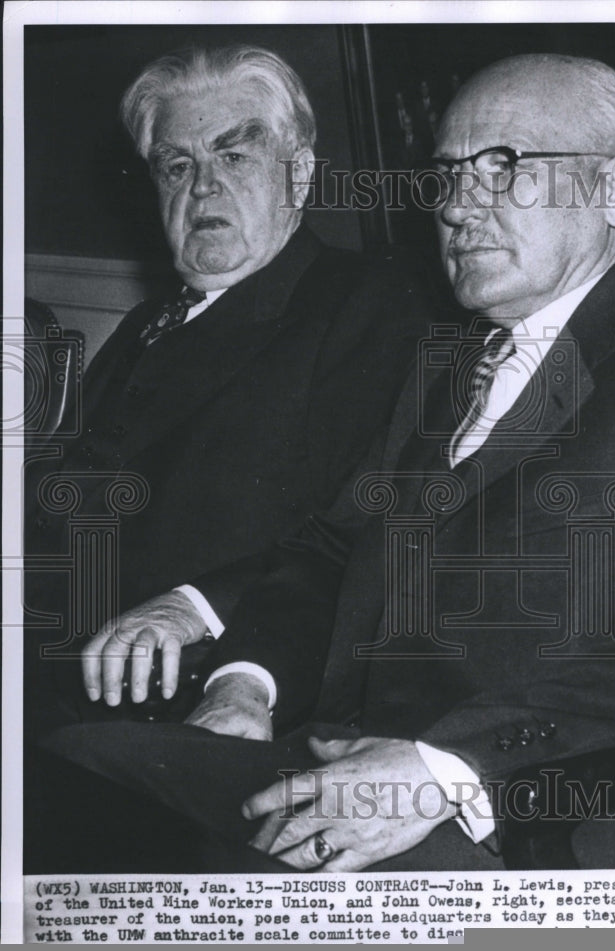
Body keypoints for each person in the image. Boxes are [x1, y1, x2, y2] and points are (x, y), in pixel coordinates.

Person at [48, 54, 615, 873]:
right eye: (448, 175)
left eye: (505, 166)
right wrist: (249, 680)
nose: (459, 206)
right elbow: (334, 547)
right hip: (340, 761)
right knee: (74, 767)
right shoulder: (452, 366)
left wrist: (442, 769)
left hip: (530, 812)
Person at [23, 44, 430, 735]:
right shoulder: (146, 323)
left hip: (204, 689)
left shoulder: (369, 304)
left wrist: (194, 607)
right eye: (176, 166)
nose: (201, 188)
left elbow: (356, 536)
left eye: (233, 157)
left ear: (297, 174)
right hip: (53, 672)